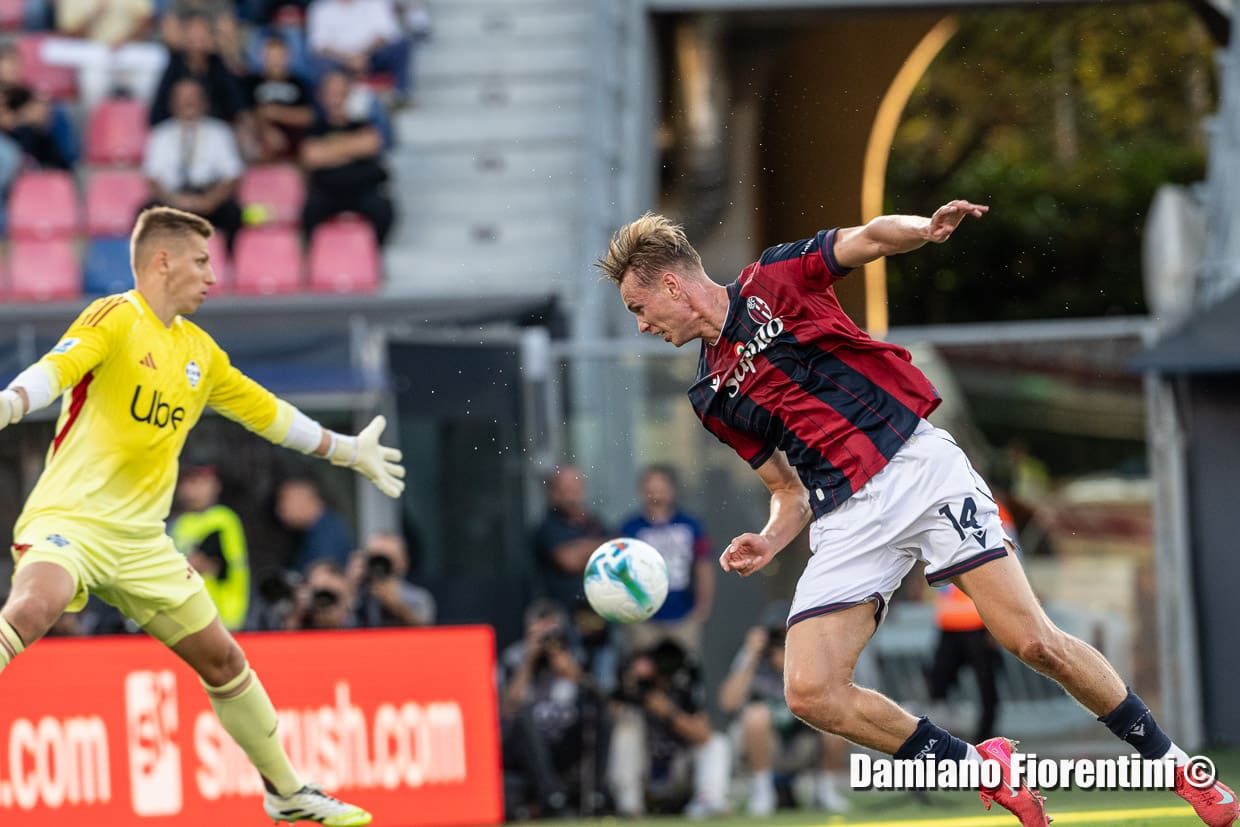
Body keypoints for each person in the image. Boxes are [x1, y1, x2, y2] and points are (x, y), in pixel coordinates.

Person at [595, 205, 1239, 827]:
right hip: (845, 516)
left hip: (917, 467)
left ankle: (1178, 769)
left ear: (672, 283)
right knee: (810, 691)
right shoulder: (711, 396)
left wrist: (924, 230)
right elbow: (786, 492)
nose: (642, 325)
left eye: (638, 309)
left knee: (1034, 642)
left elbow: (868, 238)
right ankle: (980, 768)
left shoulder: (774, 279)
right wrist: (768, 540)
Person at [0, 205, 405, 826]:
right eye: (201, 261)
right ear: (161, 262)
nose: (213, 276)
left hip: (142, 544)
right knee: (33, 607)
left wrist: (348, 449)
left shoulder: (200, 353)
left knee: (224, 661)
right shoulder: (115, 316)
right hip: (73, 521)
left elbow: (268, 414)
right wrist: (11, 401)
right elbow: (56, 369)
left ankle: (288, 792)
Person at [719, 615, 850, 815]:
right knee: (756, 714)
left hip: (802, 743)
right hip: (765, 746)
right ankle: (762, 792)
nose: (783, 645)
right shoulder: (753, 658)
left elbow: (836, 699)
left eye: (788, 637)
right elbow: (728, 703)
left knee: (836, 716)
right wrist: (749, 654)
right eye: (778, 639)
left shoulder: (814, 656)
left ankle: (826, 791)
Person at [498, 599, 609, 820]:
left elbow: (599, 698)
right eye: (542, 634)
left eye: (552, 633)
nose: (547, 641)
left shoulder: (573, 654)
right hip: (527, 746)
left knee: (602, 718)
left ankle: (596, 794)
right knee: (523, 717)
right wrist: (529, 660)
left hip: (563, 738)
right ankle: (552, 795)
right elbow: (509, 708)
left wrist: (573, 673)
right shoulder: (515, 656)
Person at [608, 639, 730, 818]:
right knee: (626, 732)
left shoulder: (683, 690)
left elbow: (704, 735)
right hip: (645, 767)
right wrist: (633, 687)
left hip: (677, 767)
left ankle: (708, 801)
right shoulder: (636, 688)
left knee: (718, 742)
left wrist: (669, 713)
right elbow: (609, 713)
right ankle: (630, 805)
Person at [618, 464, 714, 655]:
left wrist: (703, 606)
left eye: (661, 488)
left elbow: (703, 565)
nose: (656, 495)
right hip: (644, 619)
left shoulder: (690, 525)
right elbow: (622, 571)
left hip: (683, 614)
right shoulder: (630, 528)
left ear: (672, 490)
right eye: (651, 489)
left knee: (685, 673)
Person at [143, 78, 244, 248]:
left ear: (204, 102)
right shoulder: (160, 135)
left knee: (233, 214)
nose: (188, 103)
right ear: (172, 103)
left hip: (209, 197)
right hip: (172, 199)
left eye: (193, 97)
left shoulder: (220, 132)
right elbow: (152, 178)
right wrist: (173, 201)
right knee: (145, 214)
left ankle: (230, 264)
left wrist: (210, 201)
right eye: (182, 98)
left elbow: (232, 175)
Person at [300, 69, 395, 244]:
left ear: (348, 94)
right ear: (322, 97)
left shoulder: (362, 123)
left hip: (362, 191)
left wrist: (329, 151)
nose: (336, 98)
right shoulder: (316, 127)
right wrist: (352, 149)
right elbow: (311, 157)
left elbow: (371, 145)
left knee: (384, 210)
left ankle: (372, 256)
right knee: (307, 214)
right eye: (331, 93)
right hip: (326, 193)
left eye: (341, 93)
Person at [170, 461, 251, 631]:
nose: (194, 489)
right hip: (189, 620)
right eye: (190, 482)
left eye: (202, 482)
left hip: (222, 618)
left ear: (216, 485)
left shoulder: (222, 519)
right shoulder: (180, 523)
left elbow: (202, 563)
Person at [347, 531, 435, 627]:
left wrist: (397, 606)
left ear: (403, 562)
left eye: (386, 559)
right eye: (376, 558)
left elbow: (426, 629)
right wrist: (349, 586)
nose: (379, 566)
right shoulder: (356, 593)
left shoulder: (417, 597)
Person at [274, 475, 355, 573]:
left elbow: (323, 580)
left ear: (302, 499)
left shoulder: (326, 534)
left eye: (284, 501)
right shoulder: (313, 530)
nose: (279, 510)